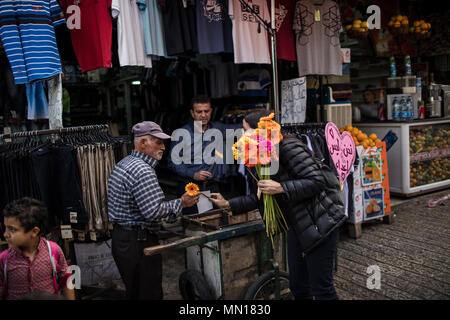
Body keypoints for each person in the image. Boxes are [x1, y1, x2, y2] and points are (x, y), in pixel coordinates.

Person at [210, 110, 347, 300]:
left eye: (246, 130)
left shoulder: (289, 146)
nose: (243, 135)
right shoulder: (263, 155)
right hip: (297, 227)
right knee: (298, 285)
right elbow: (261, 195)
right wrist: (228, 204)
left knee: (321, 289)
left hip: (321, 225)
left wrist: (281, 187)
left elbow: (317, 181)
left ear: (261, 129)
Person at [107, 121, 199, 300]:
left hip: (124, 239)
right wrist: (182, 203)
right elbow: (153, 211)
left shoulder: (126, 163)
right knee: (149, 294)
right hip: (138, 242)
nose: (163, 147)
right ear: (142, 143)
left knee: (137, 292)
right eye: (158, 142)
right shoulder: (143, 170)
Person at [168, 95, 242, 214]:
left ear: (211, 111)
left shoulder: (218, 128)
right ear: (192, 113)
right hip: (189, 188)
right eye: (199, 112)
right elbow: (172, 163)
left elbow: (240, 128)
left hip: (212, 187)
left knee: (215, 221)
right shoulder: (182, 134)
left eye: (206, 111)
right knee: (193, 225)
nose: (203, 115)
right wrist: (193, 174)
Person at [0, 197, 74, 300]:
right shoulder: (4, 259)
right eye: (5, 228)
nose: (5, 234)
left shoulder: (53, 250)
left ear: (34, 232)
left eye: (12, 230)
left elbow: (66, 279)